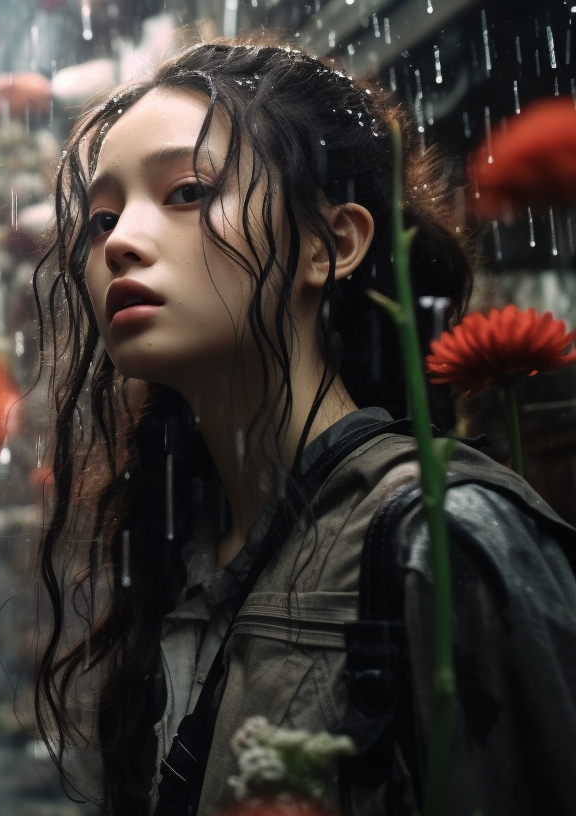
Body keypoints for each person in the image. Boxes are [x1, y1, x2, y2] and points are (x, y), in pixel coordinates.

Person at [31, 40, 576, 816]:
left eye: (186, 191)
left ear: (331, 244)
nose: (116, 241)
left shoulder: (445, 538)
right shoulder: (177, 553)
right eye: (101, 217)